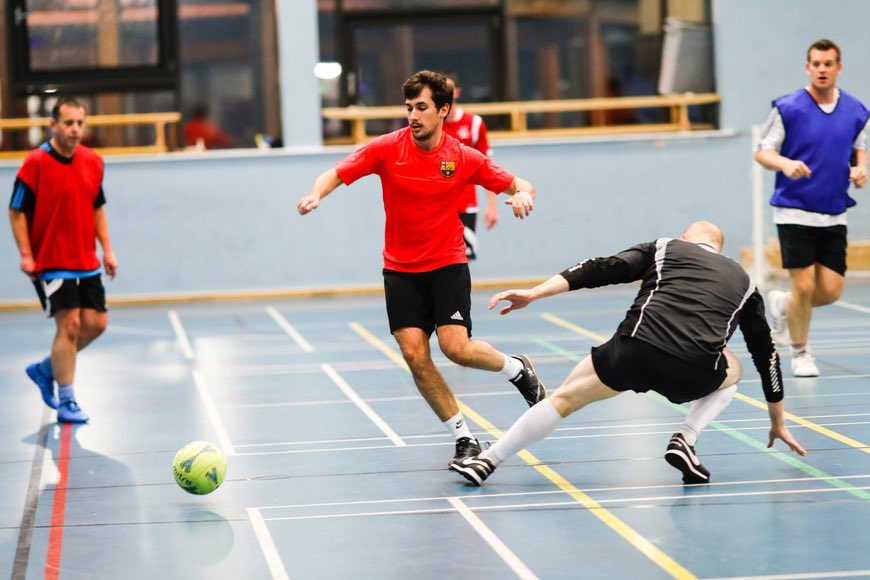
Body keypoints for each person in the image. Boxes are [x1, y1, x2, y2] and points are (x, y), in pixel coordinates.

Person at [297, 70, 546, 465]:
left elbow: (523, 184)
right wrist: (316, 195)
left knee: (456, 349)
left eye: (422, 108)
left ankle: (515, 369)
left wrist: (521, 197)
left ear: (443, 110)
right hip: (399, 269)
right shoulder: (386, 148)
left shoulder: (461, 156)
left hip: (446, 262)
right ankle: (464, 438)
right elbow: (336, 173)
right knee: (415, 355)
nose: (413, 116)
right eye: (409, 107)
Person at [449, 221, 807, 486]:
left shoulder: (665, 247)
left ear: (686, 238)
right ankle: (686, 437)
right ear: (719, 249)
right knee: (735, 366)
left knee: (563, 399)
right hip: (693, 370)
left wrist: (535, 293)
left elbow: (597, 268)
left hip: (634, 352)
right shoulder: (746, 282)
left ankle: (487, 461)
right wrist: (777, 421)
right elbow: (768, 357)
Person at [753, 38, 869, 378]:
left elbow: (858, 149)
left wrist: (861, 170)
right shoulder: (788, 107)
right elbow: (763, 151)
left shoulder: (856, 110)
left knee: (829, 292)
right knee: (803, 286)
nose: (822, 69)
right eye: (816, 64)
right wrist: (785, 164)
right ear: (808, 67)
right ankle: (801, 353)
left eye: (828, 63)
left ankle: (780, 305)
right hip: (794, 210)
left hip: (834, 211)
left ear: (838, 68)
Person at [8, 96, 118, 423]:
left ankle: (46, 369)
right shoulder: (35, 163)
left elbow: (98, 208)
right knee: (69, 326)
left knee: (97, 324)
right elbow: (16, 211)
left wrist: (107, 250)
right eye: (69, 123)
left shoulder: (93, 162)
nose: (75, 129)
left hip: (87, 260)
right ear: (53, 124)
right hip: (52, 261)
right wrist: (26, 254)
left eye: (80, 123)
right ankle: (67, 400)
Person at [441, 72, 498, 260]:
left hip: (465, 205)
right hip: (437, 205)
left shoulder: (473, 123)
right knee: (437, 260)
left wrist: (492, 206)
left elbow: (487, 167)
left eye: (449, 89)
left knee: (462, 259)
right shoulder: (431, 126)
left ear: (457, 92)